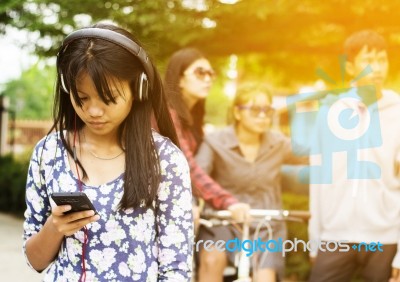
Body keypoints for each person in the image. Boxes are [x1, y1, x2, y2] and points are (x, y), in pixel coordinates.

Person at [22, 23, 193, 282]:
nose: (93, 111)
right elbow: (34, 261)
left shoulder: (165, 160)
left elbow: (176, 268)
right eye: (82, 97)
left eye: (108, 98)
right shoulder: (48, 152)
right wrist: (54, 228)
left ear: (139, 89)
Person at [308, 30, 400, 282]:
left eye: (382, 59)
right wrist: (314, 239)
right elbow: (319, 179)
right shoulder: (328, 113)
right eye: (368, 61)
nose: (378, 68)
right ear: (350, 67)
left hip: (385, 238)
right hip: (335, 236)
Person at [194, 83, 308, 282]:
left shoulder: (278, 142)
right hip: (222, 221)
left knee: (265, 277)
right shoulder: (215, 141)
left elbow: (312, 154)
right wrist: (195, 205)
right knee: (212, 261)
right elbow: (196, 178)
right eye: (255, 110)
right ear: (237, 113)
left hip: (266, 224)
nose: (263, 116)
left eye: (267, 110)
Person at [164, 48, 250, 226]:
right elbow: (186, 167)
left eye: (211, 74)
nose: (208, 79)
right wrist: (228, 201)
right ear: (179, 78)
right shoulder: (166, 114)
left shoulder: (190, 118)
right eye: (200, 72)